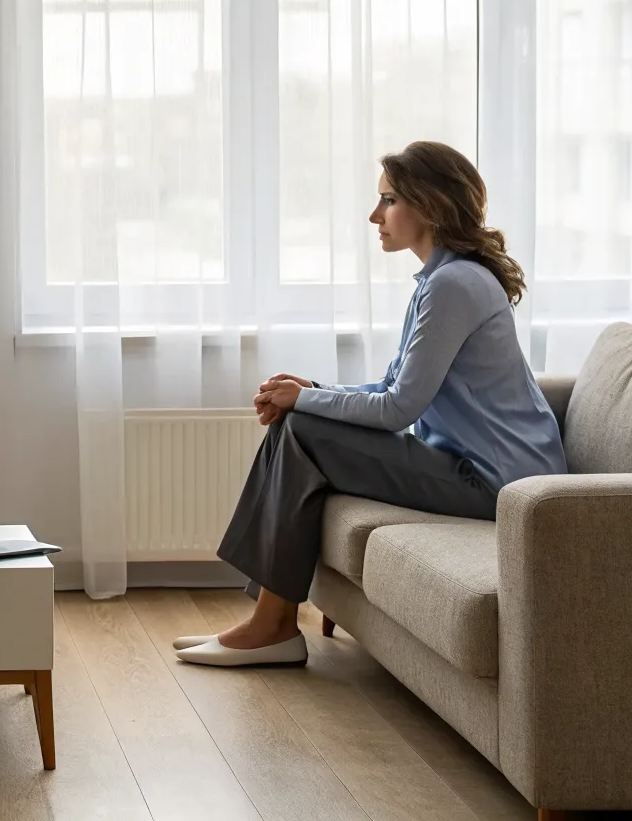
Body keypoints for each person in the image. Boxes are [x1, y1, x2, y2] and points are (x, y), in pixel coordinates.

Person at [175, 141, 567, 667]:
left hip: (496, 484)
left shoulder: (453, 285)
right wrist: (313, 391)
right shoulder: (441, 279)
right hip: (470, 467)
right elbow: (391, 383)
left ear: (426, 206)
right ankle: (270, 623)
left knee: (303, 427)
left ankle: (271, 626)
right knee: (299, 422)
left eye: (387, 200)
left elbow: (397, 409)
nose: (374, 215)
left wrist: (309, 401)